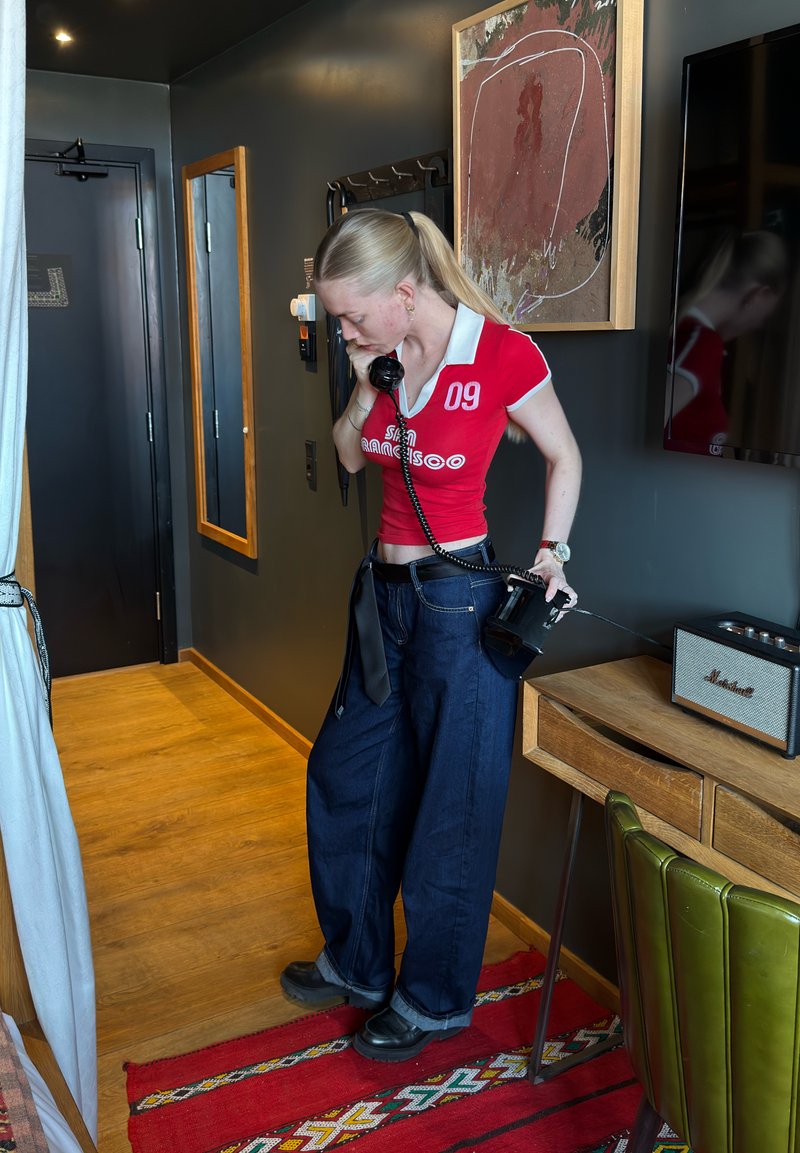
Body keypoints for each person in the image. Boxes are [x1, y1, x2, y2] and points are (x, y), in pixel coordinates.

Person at [280, 208, 581, 1062]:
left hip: (460, 601)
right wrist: (366, 384)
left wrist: (551, 554)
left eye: (350, 314)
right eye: (335, 316)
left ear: (404, 294)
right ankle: (359, 961)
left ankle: (435, 999)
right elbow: (347, 456)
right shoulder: (377, 356)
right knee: (345, 776)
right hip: (382, 595)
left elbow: (565, 455)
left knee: (454, 803)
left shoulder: (500, 355)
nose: (341, 328)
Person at [666, 229, 787, 455]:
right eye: (766, 316)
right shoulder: (702, 344)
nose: (759, 324)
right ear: (759, 295)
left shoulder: (694, 336)